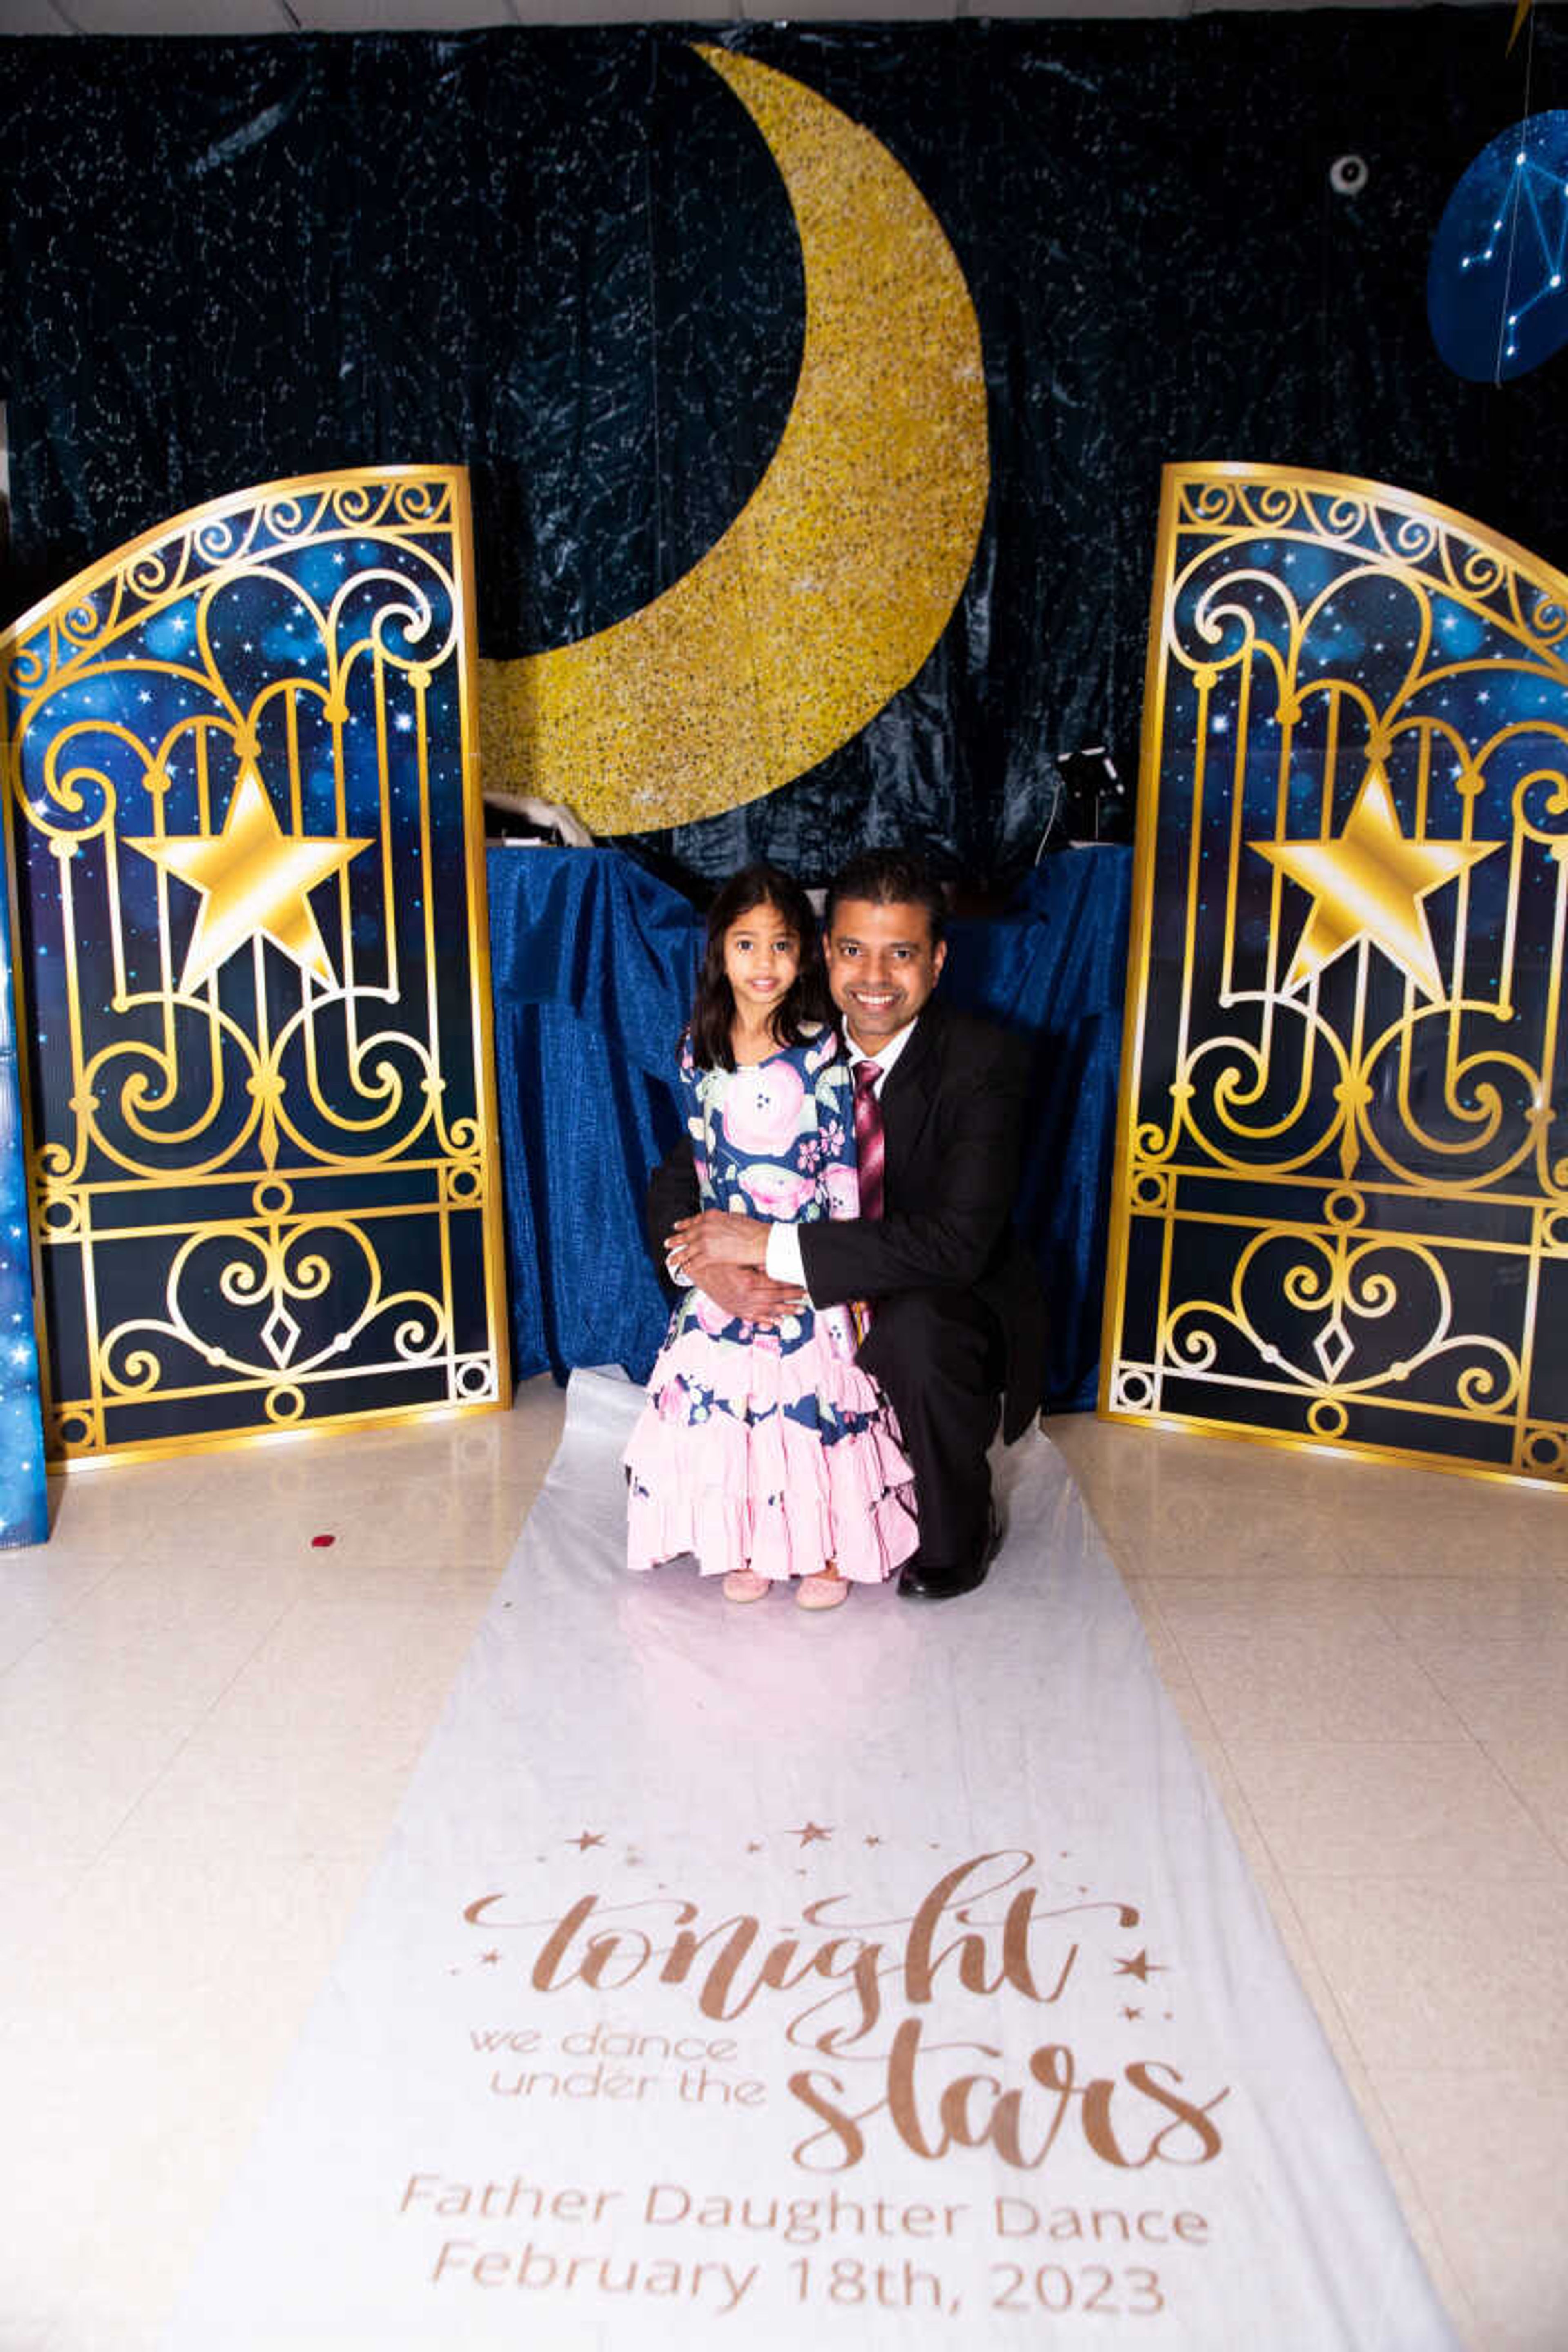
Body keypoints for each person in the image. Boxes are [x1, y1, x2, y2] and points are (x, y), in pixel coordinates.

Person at [654, 847, 1045, 1602]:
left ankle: (959, 1526)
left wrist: (765, 1244)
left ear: (937, 960)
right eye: (854, 951)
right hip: (805, 1292)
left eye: (900, 954)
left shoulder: (986, 1061)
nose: (874, 978)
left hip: (934, 1288)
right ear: (825, 953)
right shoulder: (782, 1042)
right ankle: (774, 1521)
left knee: (918, 1336)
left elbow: (955, 1246)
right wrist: (706, 1265)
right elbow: (684, 1171)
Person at [625, 863, 918, 1610]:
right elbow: (698, 1163)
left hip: (802, 1260)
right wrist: (706, 1263)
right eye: (746, 945)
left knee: (810, 1411)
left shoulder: (823, 1049)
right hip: (729, 1265)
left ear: (807, 954)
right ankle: (750, 1538)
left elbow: (841, 1171)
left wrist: (830, 1276)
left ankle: (826, 1547)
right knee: (736, 1410)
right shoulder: (699, 1046)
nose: (765, 965)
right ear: (719, 952)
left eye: (782, 945)